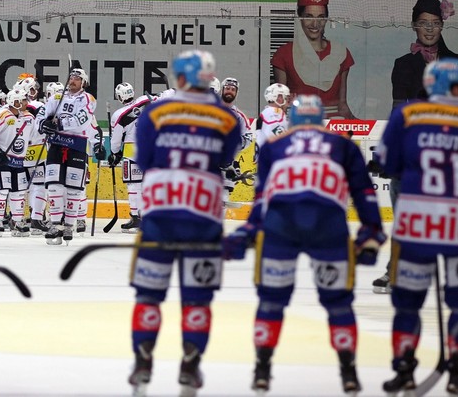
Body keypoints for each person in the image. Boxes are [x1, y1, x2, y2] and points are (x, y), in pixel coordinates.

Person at [223, 95, 384, 395]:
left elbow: (263, 199)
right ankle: (348, 371)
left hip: (281, 226)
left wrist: (248, 231)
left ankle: (262, 368)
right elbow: (364, 193)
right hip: (328, 227)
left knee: (271, 301)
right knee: (338, 304)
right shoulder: (344, 145)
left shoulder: (275, 146)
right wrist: (372, 232)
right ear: (320, 118)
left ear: (292, 120)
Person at [127, 50, 242, 396]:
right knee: (197, 299)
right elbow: (225, 159)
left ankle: (143, 359)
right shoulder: (227, 117)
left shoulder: (155, 113)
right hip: (204, 219)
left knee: (149, 295)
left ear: (178, 77)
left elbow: (144, 160)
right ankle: (191, 365)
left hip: (160, 216)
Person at [376, 58, 458, 394]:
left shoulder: (407, 115)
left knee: (407, 302)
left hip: (416, 224)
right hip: (456, 225)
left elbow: (387, 163)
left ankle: (405, 368)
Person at [35, 67, 101, 244]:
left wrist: (59, 125)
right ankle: (56, 224)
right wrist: (43, 125)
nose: (72, 80)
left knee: (73, 189)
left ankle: (69, 226)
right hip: (56, 145)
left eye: (77, 78)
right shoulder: (57, 96)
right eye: (71, 77)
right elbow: (42, 114)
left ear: (83, 83)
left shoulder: (89, 99)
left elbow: (82, 120)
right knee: (54, 186)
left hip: (77, 146)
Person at [272, 0, 356, 119]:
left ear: (326, 19)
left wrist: (369, 128)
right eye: (308, 17)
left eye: (320, 18)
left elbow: (342, 105)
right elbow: (280, 104)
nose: (315, 24)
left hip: (333, 127)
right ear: (299, 18)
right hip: (299, 124)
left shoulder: (341, 52)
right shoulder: (284, 54)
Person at [0, 87, 35, 235]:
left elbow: (32, 138)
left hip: (19, 161)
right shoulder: (2, 115)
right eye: (24, 100)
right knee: (1, 190)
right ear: (15, 102)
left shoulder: (29, 118)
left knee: (19, 192)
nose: (26, 102)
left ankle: (17, 222)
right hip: (2, 160)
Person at [391, 0, 457, 107]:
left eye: (435, 23)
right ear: (414, 26)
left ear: (442, 26)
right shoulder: (403, 64)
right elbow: (398, 109)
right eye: (423, 23)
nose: (429, 28)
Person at [109, 82, 151, 233]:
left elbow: (115, 140)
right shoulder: (146, 101)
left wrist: (115, 153)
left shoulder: (118, 114)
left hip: (132, 153)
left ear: (120, 96)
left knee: (134, 187)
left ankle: (136, 219)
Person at [24, 77, 56, 234]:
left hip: (17, 153)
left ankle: (13, 218)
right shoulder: (39, 106)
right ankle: (36, 218)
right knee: (39, 186)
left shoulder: (10, 107)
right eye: (32, 89)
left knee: (17, 190)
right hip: (37, 152)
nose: (35, 91)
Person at [219, 77, 253, 204]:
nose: (230, 91)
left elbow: (248, 138)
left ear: (236, 93)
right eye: (227, 88)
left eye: (233, 89)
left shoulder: (239, 117)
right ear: (222, 90)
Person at [254, 83, 290, 161]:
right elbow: (279, 138)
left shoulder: (275, 113)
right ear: (278, 97)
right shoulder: (270, 112)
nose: (287, 102)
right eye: (286, 97)